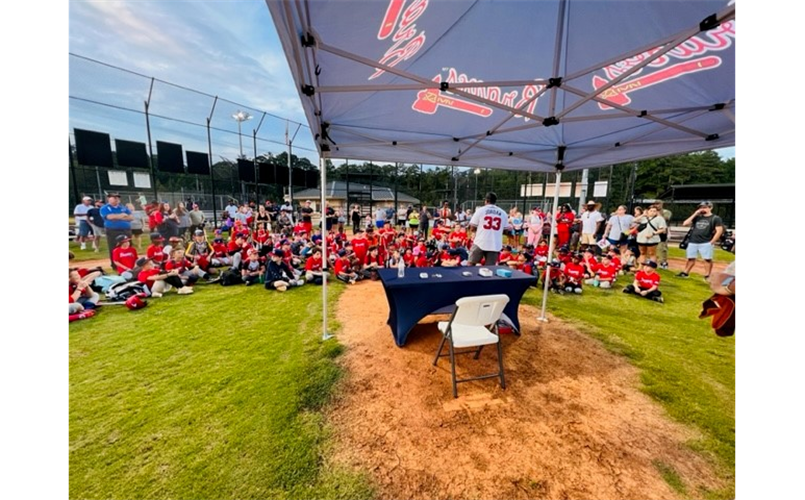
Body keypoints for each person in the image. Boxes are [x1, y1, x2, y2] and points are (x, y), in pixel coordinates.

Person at [677, 201, 724, 280]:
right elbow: (685, 223)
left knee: (707, 259)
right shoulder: (697, 217)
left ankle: (707, 275)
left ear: (710, 208)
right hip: (693, 240)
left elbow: (719, 230)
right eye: (701, 207)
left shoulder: (715, 218)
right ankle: (685, 272)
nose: (702, 209)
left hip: (706, 241)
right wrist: (695, 214)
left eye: (705, 207)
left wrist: (712, 241)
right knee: (691, 258)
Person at [468, 192, 510, 266]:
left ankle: (469, 278)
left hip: (480, 241)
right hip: (495, 243)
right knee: (490, 268)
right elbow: (506, 231)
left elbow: (472, 227)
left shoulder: (480, 210)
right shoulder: (503, 213)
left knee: (471, 264)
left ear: (486, 200)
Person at [100, 193, 134, 267]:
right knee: (114, 247)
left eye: (117, 198)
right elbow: (110, 217)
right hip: (113, 230)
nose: (116, 199)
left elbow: (131, 217)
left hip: (126, 230)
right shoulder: (105, 208)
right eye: (114, 198)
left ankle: (129, 263)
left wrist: (117, 217)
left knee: (128, 246)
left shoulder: (123, 207)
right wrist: (122, 215)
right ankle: (115, 265)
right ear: (108, 199)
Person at [654, 200, 673, 269]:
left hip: (663, 231)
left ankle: (663, 262)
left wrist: (658, 213)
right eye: (655, 204)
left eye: (658, 204)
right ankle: (653, 261)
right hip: (654, 230)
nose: (656, 205)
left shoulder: (666, 212)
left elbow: (666, 219)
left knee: (662, 247)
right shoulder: (652, 211)